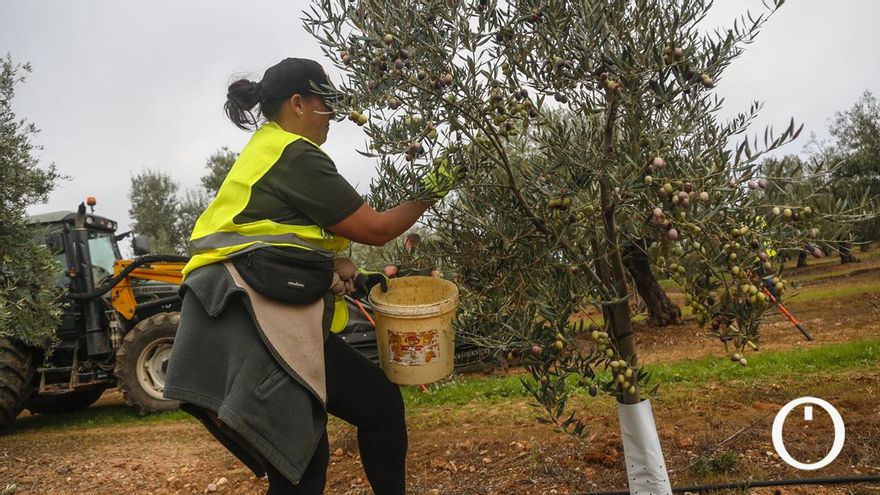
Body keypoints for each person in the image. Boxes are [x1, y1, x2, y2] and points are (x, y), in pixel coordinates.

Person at [163, 58, 454, 495]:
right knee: (299, 455)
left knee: (374, 407)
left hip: (259, 315)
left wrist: (360, 275)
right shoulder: (291, 155)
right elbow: (377, 229)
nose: (334, 115)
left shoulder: (273, 151)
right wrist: (440, 181)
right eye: (327, 103)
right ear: (298, 103)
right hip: (248, 320)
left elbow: (291, 247)